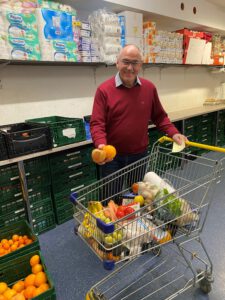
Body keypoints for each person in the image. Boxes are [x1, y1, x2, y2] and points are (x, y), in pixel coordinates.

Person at [90, 44, 186, 179]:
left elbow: (160, 117)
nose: (130, 68)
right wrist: (101, 145)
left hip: (139, 155)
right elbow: (97, 123)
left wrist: (173, 133)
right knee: (111, 197)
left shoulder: (149, 88)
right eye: (126, 62)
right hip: (112, 157)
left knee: (138, 195)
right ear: (117, 63)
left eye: (135, 63)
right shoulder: (104, 90)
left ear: (140, 65)